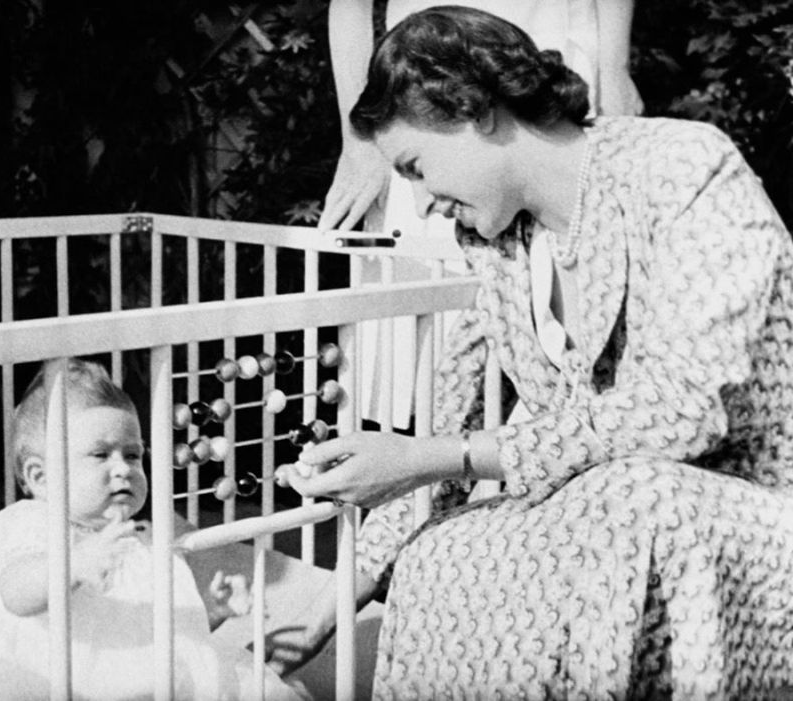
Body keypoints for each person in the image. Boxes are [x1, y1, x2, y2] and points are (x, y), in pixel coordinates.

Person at [276, 6, 793, 697]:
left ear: (476, 111)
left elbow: (683, 413)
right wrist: (322, 613)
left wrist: (451, 454)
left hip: (753, 520)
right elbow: (433, 452)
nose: (424, 202)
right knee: (441, 552)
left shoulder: (684, 168)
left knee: (630, 493)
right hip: (624, 520)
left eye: (418, 167)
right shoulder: (497, 244)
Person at [322, 0, 642, 431]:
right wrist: (364, 140)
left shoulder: (690, 171)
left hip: (550, 59)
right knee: (435, 322)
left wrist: (616, 65)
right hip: (426, 79)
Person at [0, 358, 304, 701]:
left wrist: (211, 610)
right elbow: (14, 591)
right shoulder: (32, 524)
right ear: (40, 476)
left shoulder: (143, 537)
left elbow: (160, 629)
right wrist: (74, 563)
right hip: (47, 679)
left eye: (133, 455)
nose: (123, 468)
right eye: (100, 455)